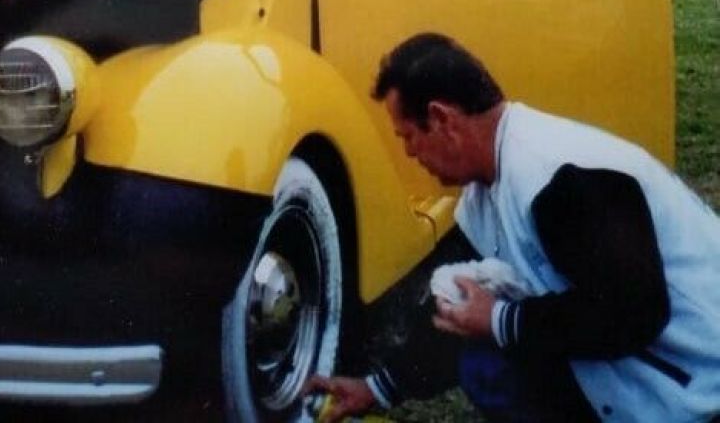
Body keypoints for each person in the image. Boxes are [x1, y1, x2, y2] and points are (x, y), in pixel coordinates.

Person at [302, 33, 720, 422]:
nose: (410, 153)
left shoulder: (555, 174)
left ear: (441, 118)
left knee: (497, 359)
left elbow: (637, 311)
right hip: (661, 364)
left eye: (409, 136)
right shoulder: (487, 191)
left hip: (701, 376)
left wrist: (504, 320)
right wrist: (377, 387)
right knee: (487, 362)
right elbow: (455, 312)